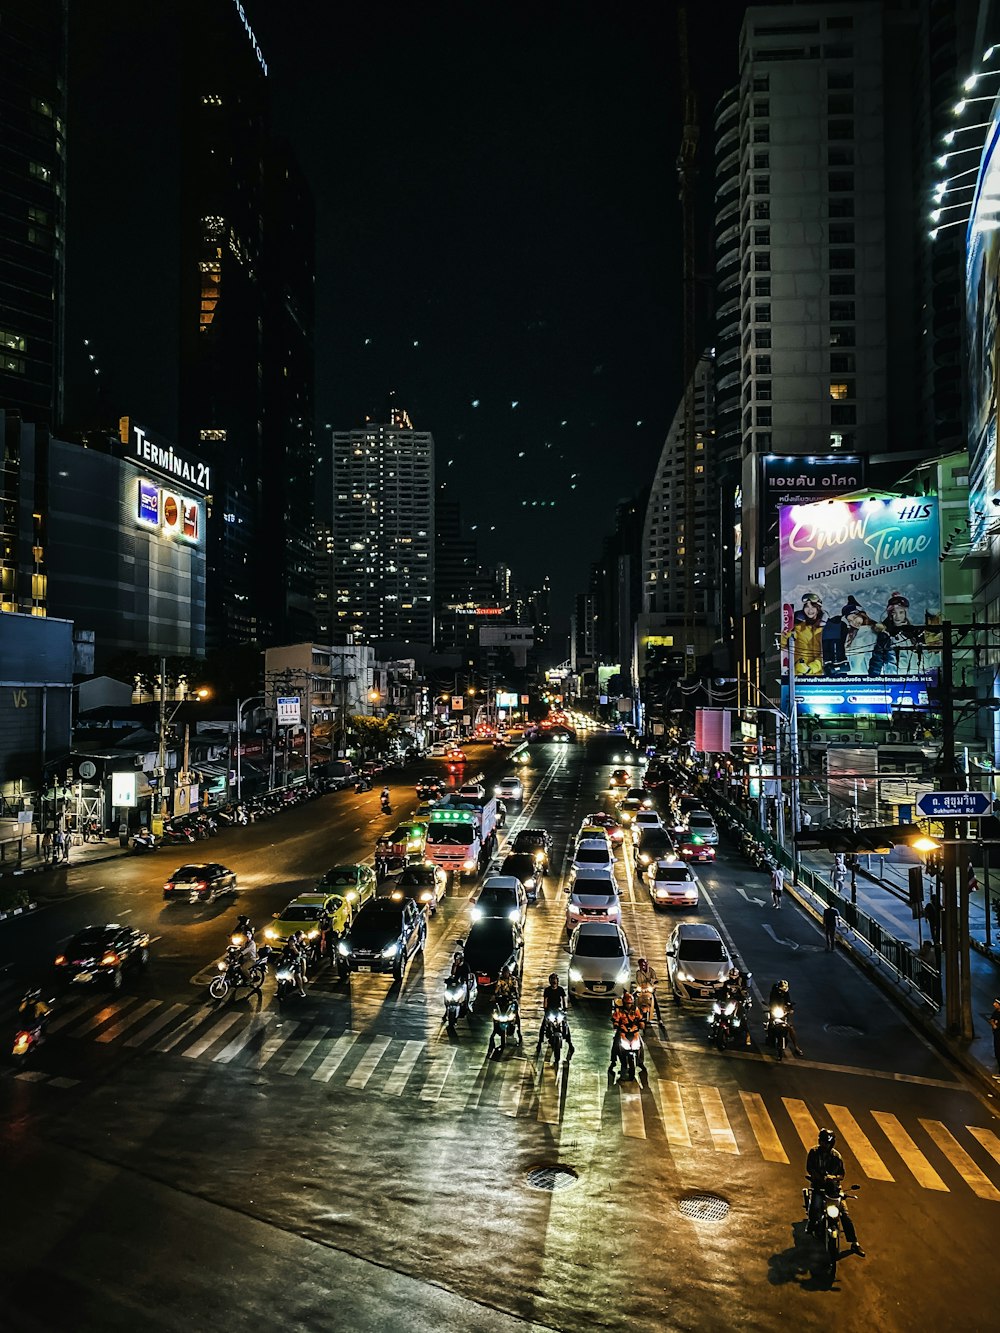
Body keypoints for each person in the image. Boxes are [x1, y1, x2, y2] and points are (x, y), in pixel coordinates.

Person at [805, 1128, 864, 1255]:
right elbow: (809, 1168)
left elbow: (842, 1174)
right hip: (818, 1187)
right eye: (822, 1141)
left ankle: (854, 1243)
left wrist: (834, 1178)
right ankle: (811, 1223)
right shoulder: (813, 1153)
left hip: (834, 1190)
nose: (824, 1145)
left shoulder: (837, 1157)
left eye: (826, 1142)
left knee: (845, 1216)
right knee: (815, 1207)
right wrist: (819, 1178)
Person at [536, 972, 574, 1057]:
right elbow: (545, 1000)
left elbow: (563, 999)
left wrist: (565, 1009)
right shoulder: (547, 990)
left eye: (555, 979)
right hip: (550, 1010)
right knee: (543, 1026)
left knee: (565, 1025)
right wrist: (545, 1009)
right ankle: (539, 1043)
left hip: (558, 1010)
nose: (554, 981)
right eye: (552, 979)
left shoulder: (560, 989)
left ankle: (570, 1044)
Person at [609, 990, 645, 1073]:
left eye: (630, 1003)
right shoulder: (619, 1011)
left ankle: (640, 1061)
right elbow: (615, 1019)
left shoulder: (635, 1010)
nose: (629, 1005)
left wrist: (641, 1024)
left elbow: (640, 1018)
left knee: (641, 1044)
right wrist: (616, 1024)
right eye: (627, 1003)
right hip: (622, 1031)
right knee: (615, 1043)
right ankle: (613, 1060)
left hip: (634, 1031)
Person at [768, 979, 803, 1057]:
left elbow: (789, 1002)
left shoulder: (786, 994)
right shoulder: (774, 992)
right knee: (770, 1024)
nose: (783, 991)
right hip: (775, 1011)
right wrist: (771, 1008)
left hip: (783, 1013)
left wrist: (790, 1009)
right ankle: (769, 1037)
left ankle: (796, 1046)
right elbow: (771, 1001)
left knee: (791, 1028)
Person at [720, 966, 752, 1046]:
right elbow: (722, 991)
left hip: (738, 1001)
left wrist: (744, 996)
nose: (733, 978)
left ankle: (748, 1035)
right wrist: (717, 996)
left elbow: (744, 992)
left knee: (742, 1016)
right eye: (732, 976)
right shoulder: (727, 982)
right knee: (717, 1012)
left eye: (735, 976)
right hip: (728, 1002)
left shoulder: (741, 982)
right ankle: (714, 1031)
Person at [493, 964, 522, 1045]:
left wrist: (515, 995)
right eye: (504, 973)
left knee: (516, 1012)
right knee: (495, 1011)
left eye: (506, 972)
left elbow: (516, 990)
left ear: (509, 973)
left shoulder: (513, 980)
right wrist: (495, 995)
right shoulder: (500, 980)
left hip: (511, 1000)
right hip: (502, 1000)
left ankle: (519, 1032)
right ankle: (495, 1029)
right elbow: (497, 989)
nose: (505, 974)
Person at [635, 957, 660, 1028]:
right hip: (642, 990)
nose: (642, 967)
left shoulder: (651, 971)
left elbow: (655, 979)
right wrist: (640, 987)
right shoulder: (638, 973)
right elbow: (638, 982)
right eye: (640, 965)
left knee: (655, 1003)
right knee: (636, 1000)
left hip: (649, 990)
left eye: (643, 965)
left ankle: (659, 1019)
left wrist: (652, 982)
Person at [281, 931, 307, 996]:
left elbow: (298, 954)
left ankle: (301, 990)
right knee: (280, 975)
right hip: (288, 962)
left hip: (295, 962)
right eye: (290, 941)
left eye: (292, 941)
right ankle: (279, 990)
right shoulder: (286, 947)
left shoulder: (298, 946)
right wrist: (278, 960)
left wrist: (294, 948)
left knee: (298, 976)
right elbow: (282, 954)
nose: (291, 942)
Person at [990, 998, 1000, 1079]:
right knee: (997, 1054)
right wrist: (993, 1024)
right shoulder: (996, 1012)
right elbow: (991, 1019)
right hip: (996, 1036)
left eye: (996, 1003)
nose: (994, 1004)